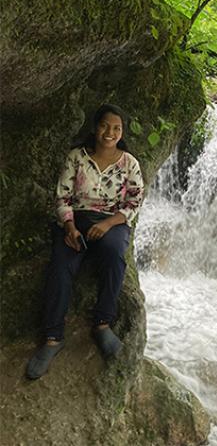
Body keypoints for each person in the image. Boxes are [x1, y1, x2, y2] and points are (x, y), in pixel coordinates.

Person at [26, 104, 144, 379]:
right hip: (75, 219)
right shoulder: (76, 158)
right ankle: (53, 339)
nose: (110, 133)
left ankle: (102, 324)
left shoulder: (129, 164)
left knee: (115, 255)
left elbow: (133, 201)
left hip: (111, 221)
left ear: (122, 132)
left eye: (116, 128)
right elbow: (63, 196)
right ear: (94, 127)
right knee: (60, 266)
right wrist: (69, 226)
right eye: (105, 126)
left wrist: (107, 224)